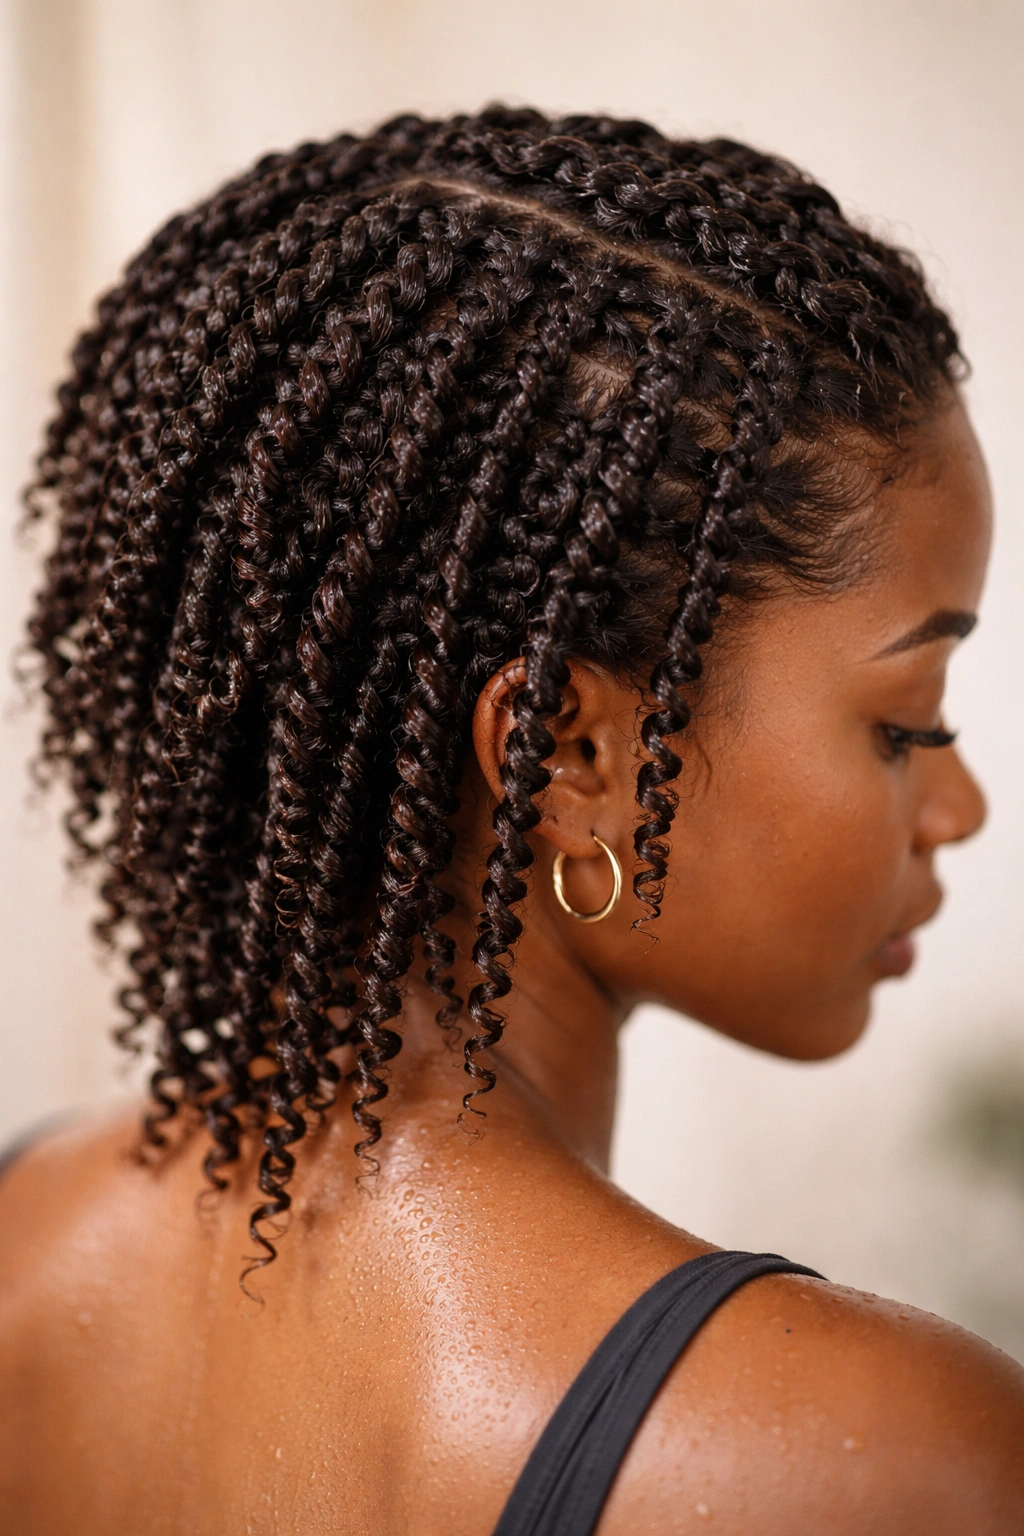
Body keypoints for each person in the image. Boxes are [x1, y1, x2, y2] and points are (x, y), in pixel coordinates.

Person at [1, 107, 1021, 1535]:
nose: (960, 808)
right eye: (905, 721)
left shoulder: (17, 1247)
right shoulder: (880, 1458)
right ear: (570, 751)